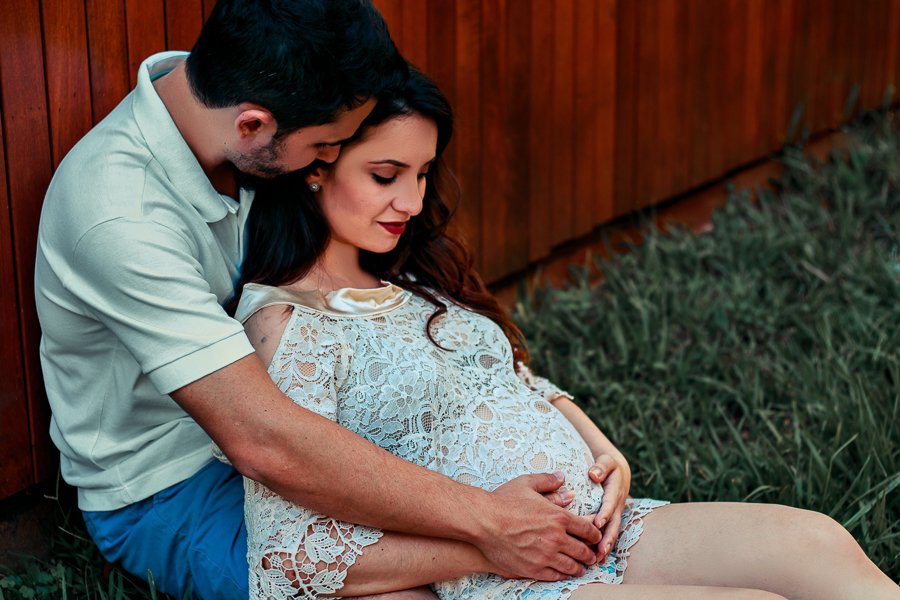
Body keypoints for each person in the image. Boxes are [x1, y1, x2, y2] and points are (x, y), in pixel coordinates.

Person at [228, 67, 900, 599]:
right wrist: (490, 545)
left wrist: (604, 449)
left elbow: (512, 380)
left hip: (608, 530)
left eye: (424, 173)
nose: (411, 202)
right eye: (385, 176)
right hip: (507, 581)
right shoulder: (288, 325)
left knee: (813, 542)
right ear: (317, 165)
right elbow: (290, 555)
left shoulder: (410, 280)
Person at [34, 2, 608, 599]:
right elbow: (261, 441)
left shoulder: (238, 96)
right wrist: (491, 525)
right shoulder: (119, 217)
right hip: (177, 481)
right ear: (253, 126)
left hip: (306, 421)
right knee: (411, 588)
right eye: (325, 145)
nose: (329, 162)